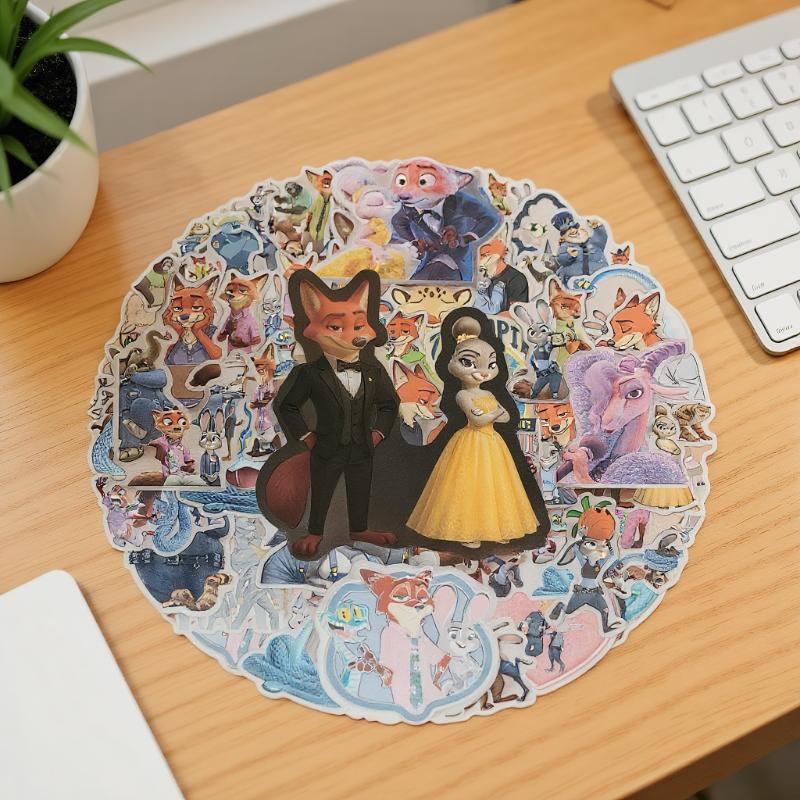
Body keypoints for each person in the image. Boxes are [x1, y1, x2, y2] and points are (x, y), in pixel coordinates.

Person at [406, 315, 538, 547]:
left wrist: (492, 414)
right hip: (471, 442)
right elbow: (478, 421)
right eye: (469, 363)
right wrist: (493, 413)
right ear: (454, 363)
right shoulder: (463, 394)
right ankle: (469, 533)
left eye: (491, 365)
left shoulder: (487, 394)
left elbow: (505, 417)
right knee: (468, 487)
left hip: (492, 443)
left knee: (495, 487)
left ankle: (498, 529)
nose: (483, 372)